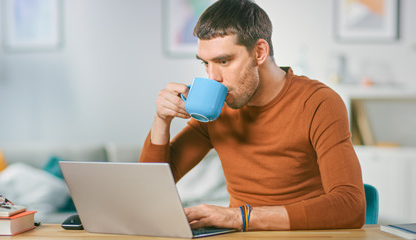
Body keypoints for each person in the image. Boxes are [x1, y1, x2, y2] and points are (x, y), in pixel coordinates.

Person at [140, 0, 365, 231]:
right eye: (205, 63)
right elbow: (150, 190)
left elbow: (350, 206)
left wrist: (239, 217)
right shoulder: (218, 107)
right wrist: (161, 120)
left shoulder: (318, 102)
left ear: (259, 52)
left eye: (223, 61)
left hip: (303, 235)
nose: (212, 77)